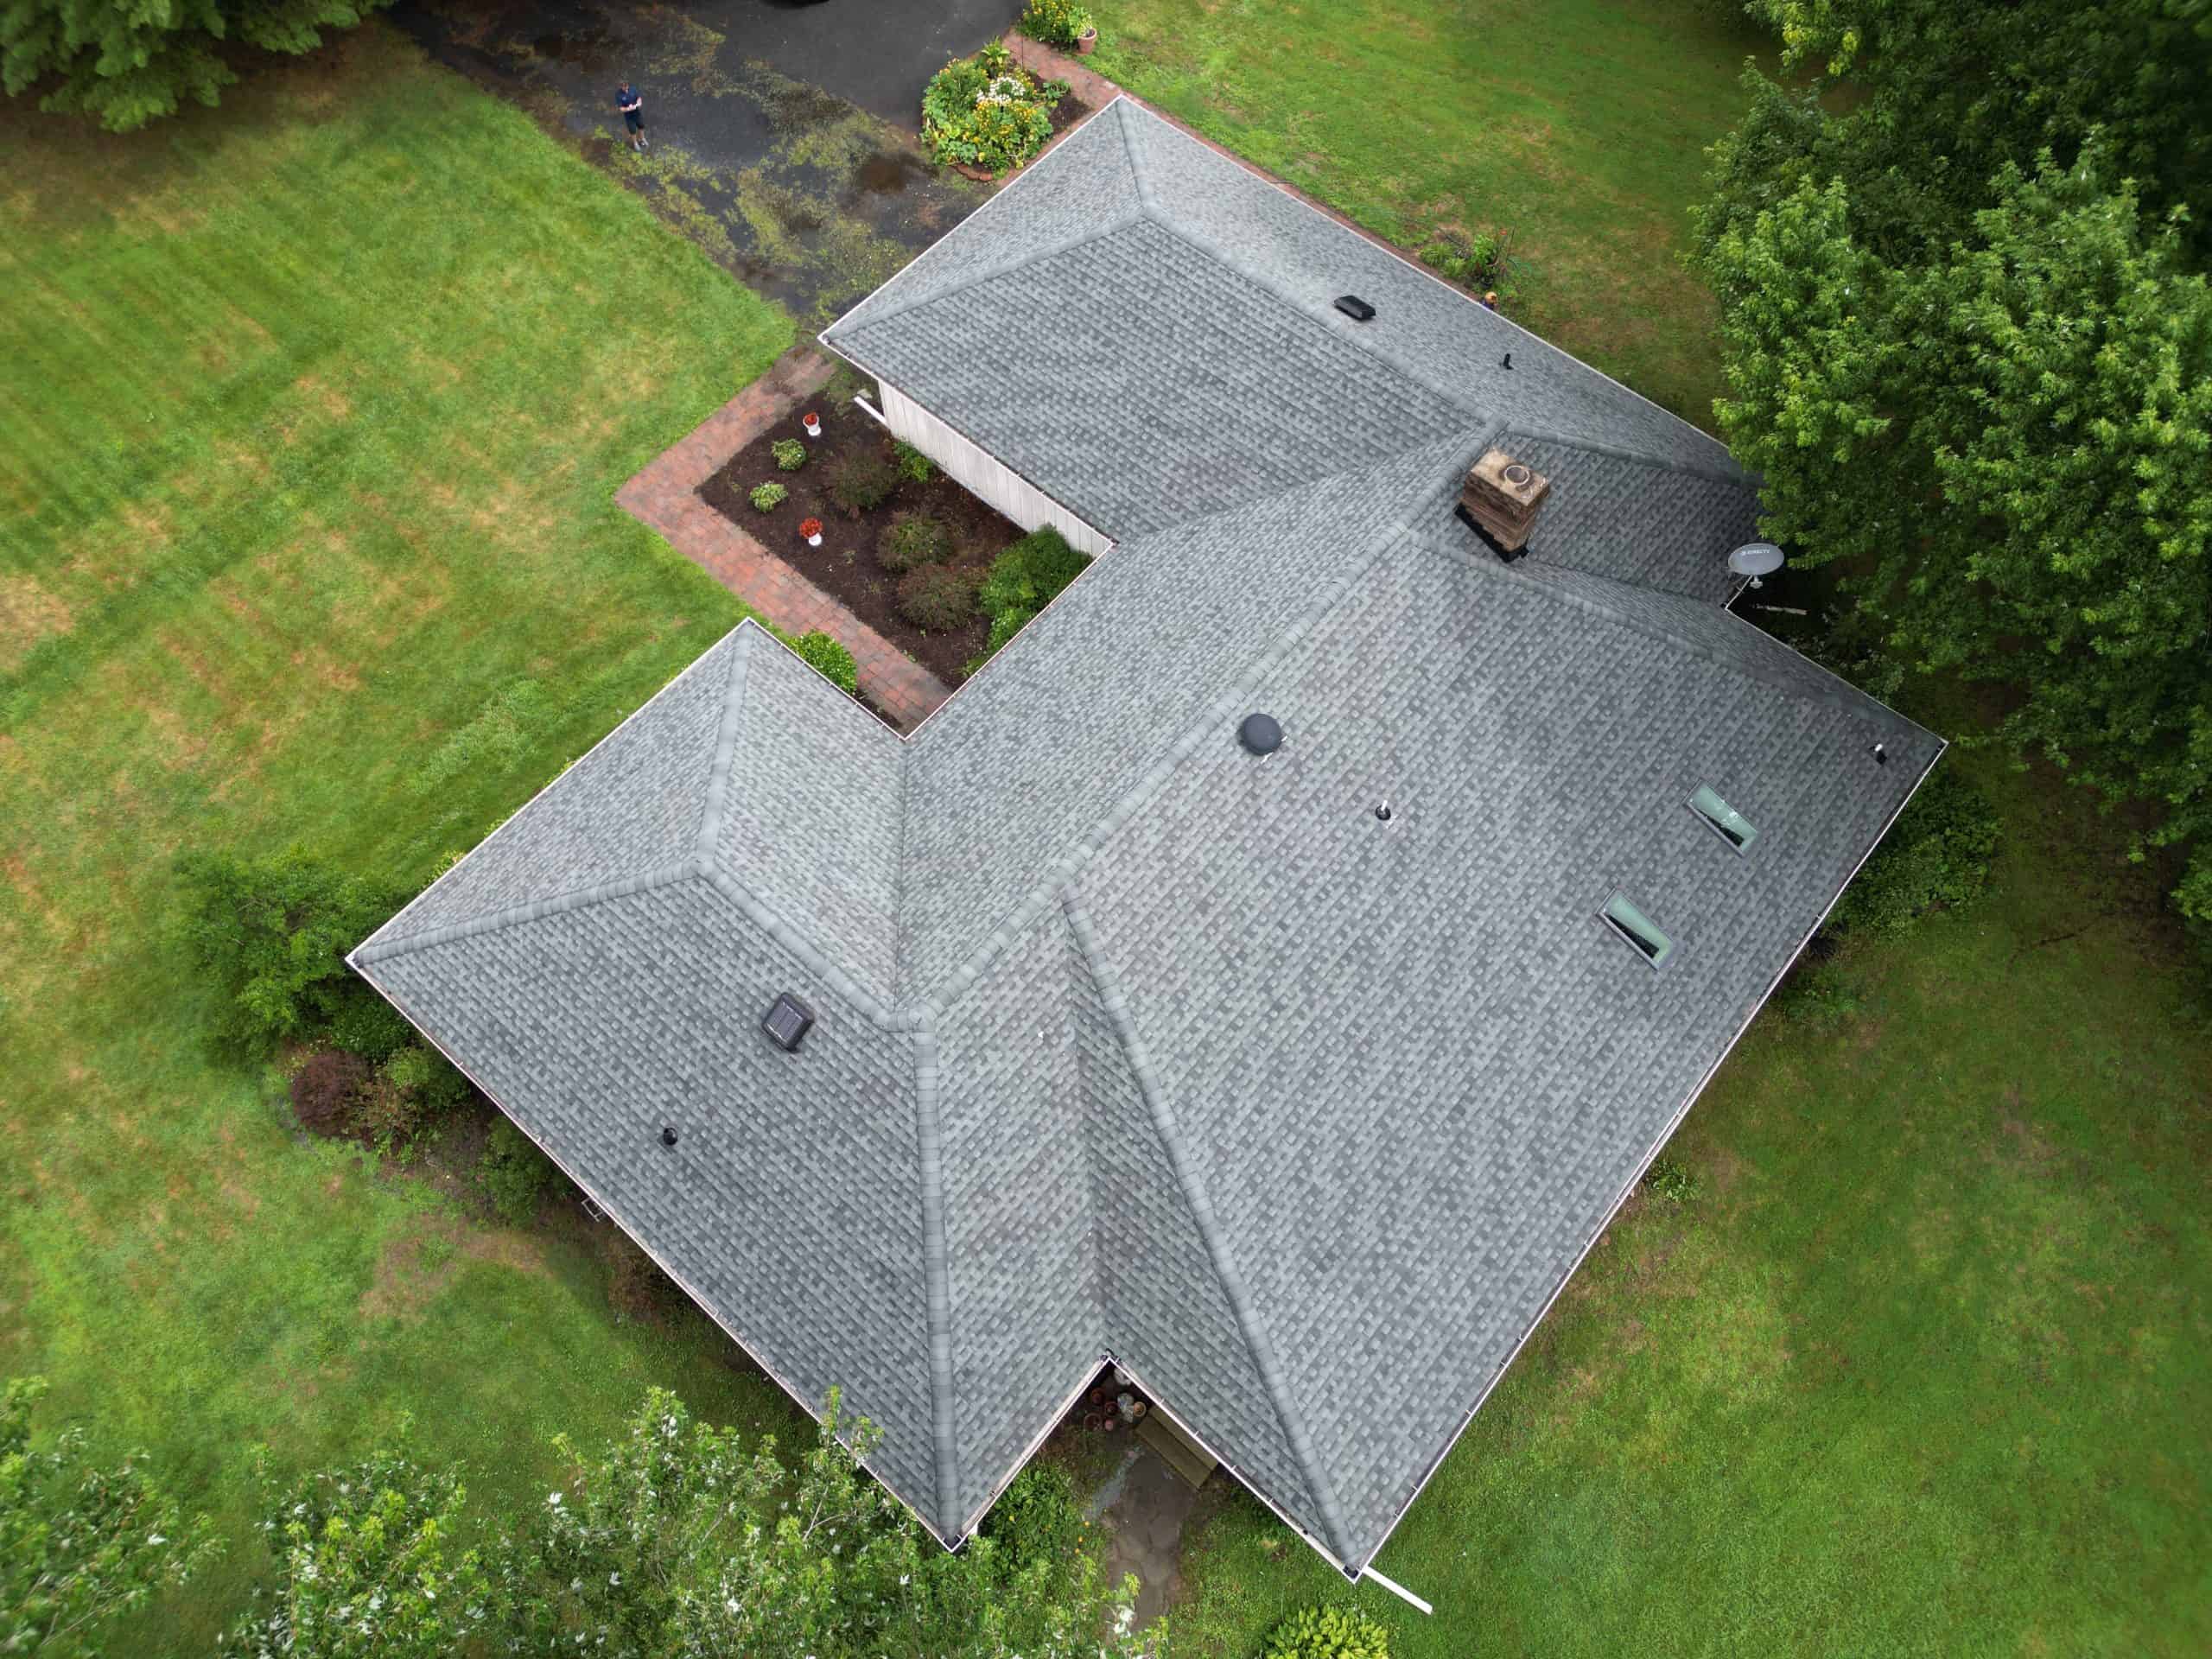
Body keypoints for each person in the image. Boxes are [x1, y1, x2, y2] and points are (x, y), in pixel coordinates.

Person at [617, 83, 647, 152]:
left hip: (637, 113)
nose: (625, 88)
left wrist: (639, 103)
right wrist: (628, 108)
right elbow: (621, 109)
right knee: (632, 130)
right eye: (623, 86)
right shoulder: (618, 95)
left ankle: (642, 139)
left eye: (626, 86)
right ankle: (635, 143)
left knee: (641, 125)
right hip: (629, 116)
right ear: (621, 86)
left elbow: (638, 98)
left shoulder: (633, 89)